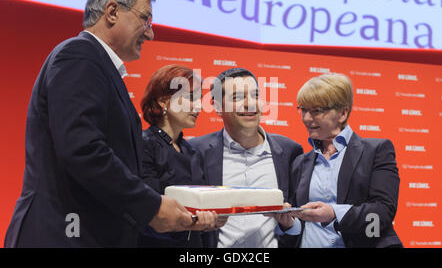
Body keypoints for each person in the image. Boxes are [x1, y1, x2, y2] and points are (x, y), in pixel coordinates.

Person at [4, 0, 209, 248]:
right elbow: (82, 150)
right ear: (112, 12)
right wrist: (152, 207)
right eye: (145, 19)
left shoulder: (98, 66)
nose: (150, 33)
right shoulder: (79, 56)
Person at [274, 73, 403, 248]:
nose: (306, 118)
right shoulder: (300, 162)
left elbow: (382, 212)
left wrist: (334, 212)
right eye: (303, 109)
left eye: (316, 111)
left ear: (342, 113)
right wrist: (288, 223)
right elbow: (300, 228)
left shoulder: (376, 151)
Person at [188, 68, 303, 248]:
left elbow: (300, 224)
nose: (250, 104)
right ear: (217, 107)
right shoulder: (196, 151)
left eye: (255, 95)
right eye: (237, 98)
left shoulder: (290, 151)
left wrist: (289, 223)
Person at [138, 64, 226, 247]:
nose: (199, 106)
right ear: (163, 101)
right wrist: (194, 223)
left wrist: (212, 221)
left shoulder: (191, 151)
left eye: (199, 99)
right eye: (190, 98)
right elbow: (147, 211)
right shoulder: (143, 145)